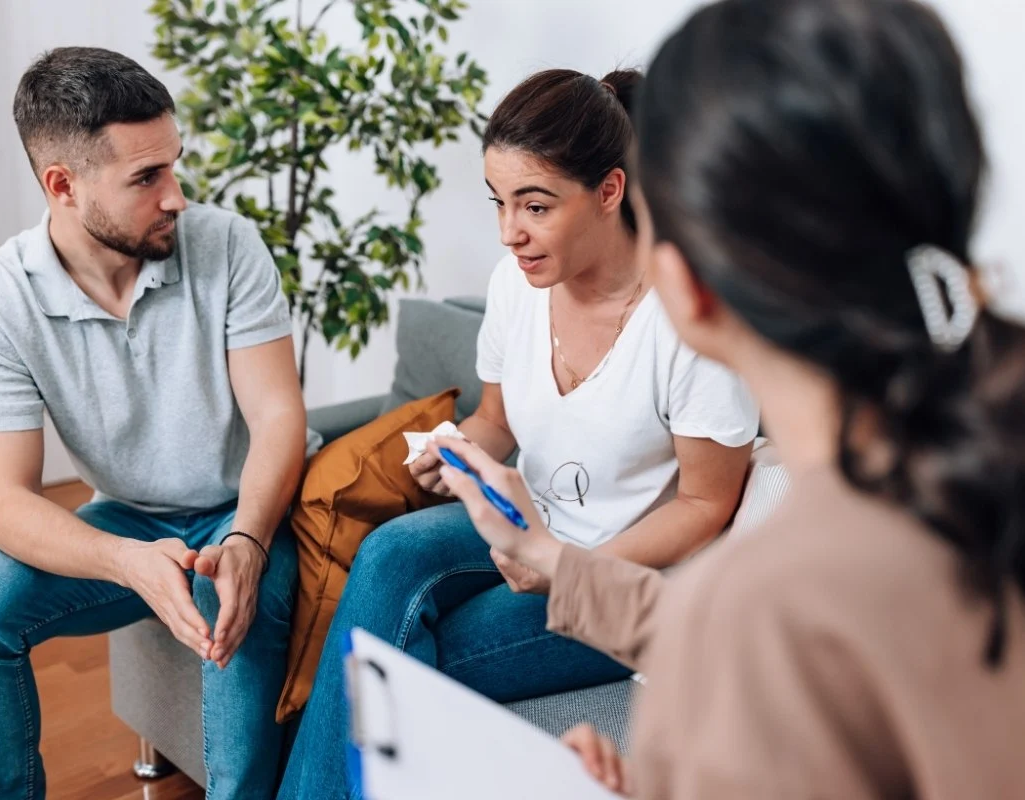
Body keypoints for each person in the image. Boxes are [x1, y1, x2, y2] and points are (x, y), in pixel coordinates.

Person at [439, 0, 1025, 797]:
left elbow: (763, 640)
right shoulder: (1013, 462)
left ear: (688, 282)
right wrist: (555, 561)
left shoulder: (769, 604)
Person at [278, 68, 759, 799]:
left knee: (388, 663)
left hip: (620, 580)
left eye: (535, 206)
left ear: (610, 190)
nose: (511, 233)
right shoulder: (517, 285)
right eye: (500, 203)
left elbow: (707, 506)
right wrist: (458, 455)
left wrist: (565, 566)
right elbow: (497, 422)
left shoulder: (686, 321)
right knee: (387, 553)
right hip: (522, 519)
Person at [0, 47, 306, 800]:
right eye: (146, 178)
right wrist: (125, 560)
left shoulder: (226, 245)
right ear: (62, 186)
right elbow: (3, 501)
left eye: (174, 165)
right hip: (130, 521)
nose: (177, 197)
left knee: (237, 667)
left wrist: (248, 540)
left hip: (248, 512)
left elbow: (277, 414)